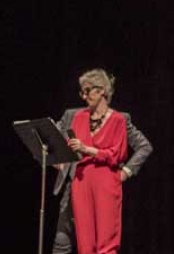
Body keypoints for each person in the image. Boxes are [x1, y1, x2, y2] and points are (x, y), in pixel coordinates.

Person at [52, 106, 154, 254]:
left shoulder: (120, 119)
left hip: (102, 187)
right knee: (62, 242)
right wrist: (58, 161)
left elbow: (144, 146)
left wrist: (125, 171)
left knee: (103, 242)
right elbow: (50, 139)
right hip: (74, 184)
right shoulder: (72, 115)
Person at [65, 69, 129, 254]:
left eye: (87, 91)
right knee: (85, 241)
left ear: (101, 91)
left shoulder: (118, 119)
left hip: (105, 178)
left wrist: (87, 149)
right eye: (82, 92)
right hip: (82, 179)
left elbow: (117, 154)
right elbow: (73, 150)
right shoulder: (79, 117)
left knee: (107, 239)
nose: (84, 96)